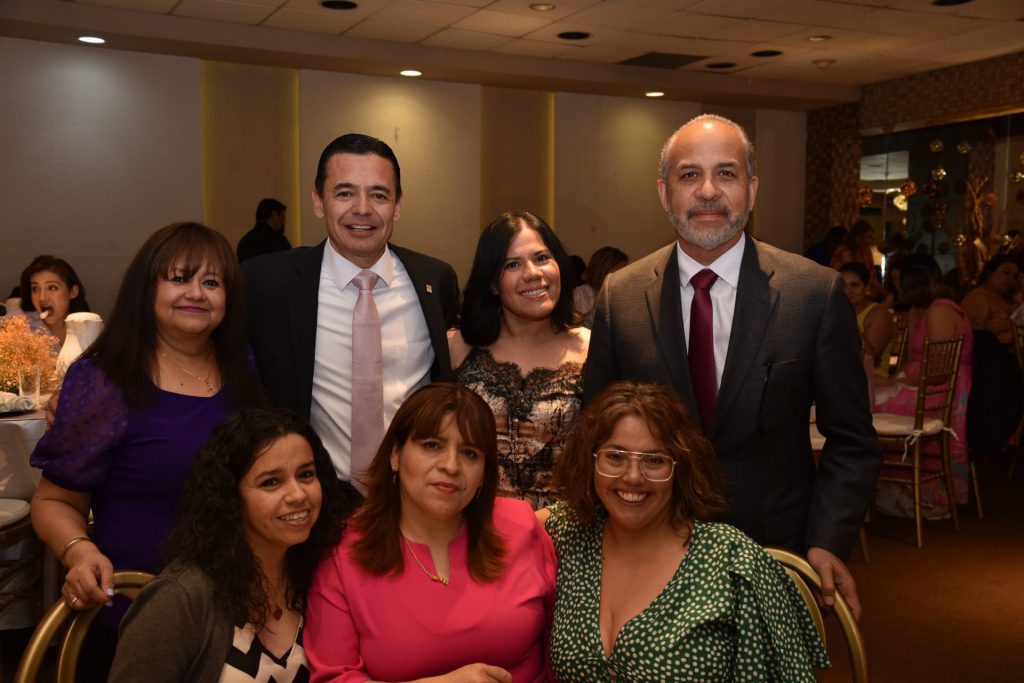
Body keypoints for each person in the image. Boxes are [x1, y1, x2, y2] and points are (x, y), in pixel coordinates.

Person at [584, 113, 880, 618]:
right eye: (689, 175)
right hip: (648, 555)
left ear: (752, 189)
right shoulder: (622, 296)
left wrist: (828, 538)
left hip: (775, 557)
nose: (707, 191)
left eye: (726, 173)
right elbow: (596, 435)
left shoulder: (813, 294)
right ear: (664, 194)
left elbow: (852, 439)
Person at [30, 222, 267, 680]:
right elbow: (53, 500)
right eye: (179, 278)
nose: (196, 293)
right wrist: (78, 551)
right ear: (147, 287)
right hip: (139, 613)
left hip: (237, 609)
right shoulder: (104, 379)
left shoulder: (243, 366)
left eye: (212, 282)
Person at [540, 381, 828, 680]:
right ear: (590, 460)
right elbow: (508, 524)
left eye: (655, 460)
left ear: (681, 468)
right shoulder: (570, 532)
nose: (633, 476)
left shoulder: (734, 562)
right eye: (615, 456)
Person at [244, 134, 459, 494]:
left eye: (379, 195)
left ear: (397, 206)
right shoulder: (266, 283)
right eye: (345, 193)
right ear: (318, 201)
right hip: (313, 500)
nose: (362, 209)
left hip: (412, 496)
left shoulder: (435, 280)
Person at [304, 383, 556, 682]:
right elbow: (333, 677)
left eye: (469, 453)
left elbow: (563, 650)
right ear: (395, 454)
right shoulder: (344, 552)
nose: (451, 466)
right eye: (432, 446)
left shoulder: (521, 526)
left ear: (483, 473)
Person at [110, 408, 356, 682]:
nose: (298, 495)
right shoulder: (180, 598)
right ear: (230, 497)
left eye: (306, 475)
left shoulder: (321, 576)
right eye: (271, 482)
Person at [448, 211, 589, 509]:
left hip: (563, 527)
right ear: (492, 283)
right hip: (475, 524)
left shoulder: (591, 348)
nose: (532, 273)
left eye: (541, 258)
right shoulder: (459, 347)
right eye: (512, 264)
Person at [874, 254, 973, 519]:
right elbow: (911, 361)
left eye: (898, 281)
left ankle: (902, 489)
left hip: (940, 391)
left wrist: (893, 383)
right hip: (917, 384)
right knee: (866, 397)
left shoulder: (940, 310)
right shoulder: (917, 309)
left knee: (869, 406)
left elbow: (938, 372)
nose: (895, 287)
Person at [10, 255, 90, 347]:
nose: (42, 298)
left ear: (73, 292)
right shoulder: (15, 325)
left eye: (52, 287)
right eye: (35, 289)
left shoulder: (89, 328)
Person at [840, 261, 894, 376]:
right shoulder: (835, 310)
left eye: (855, 285)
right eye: (843, 286)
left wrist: (849, 320)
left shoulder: (879, 313)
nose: (848, 291)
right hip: (840, 374)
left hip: (871, 377)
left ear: (867, 287)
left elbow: (870, 359)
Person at [960, 254, 1020, 346]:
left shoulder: (1005, 299)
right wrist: (1010, 322)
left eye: (1014, 276)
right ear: (989, 272)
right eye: (1006, 272)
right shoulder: (978, 297)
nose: (1010, 279)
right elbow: (978, 333)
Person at [572, 246, 628, 322]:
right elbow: (577, 325)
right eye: (618, 273)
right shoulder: (578, 294)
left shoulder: (623, 294)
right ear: (602, 271)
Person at [831, 220, 882, 298]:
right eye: (867, 237)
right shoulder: (844, 251)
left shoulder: (867, 251)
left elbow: (872, 273)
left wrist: (878, 289)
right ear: (858, 236)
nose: (869, 241)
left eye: (871, 237)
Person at [237, 197, 292, 263]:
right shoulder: (279, 241)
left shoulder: (245, 242)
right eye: (283, 218)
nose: (283, 222)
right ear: (274, 215)